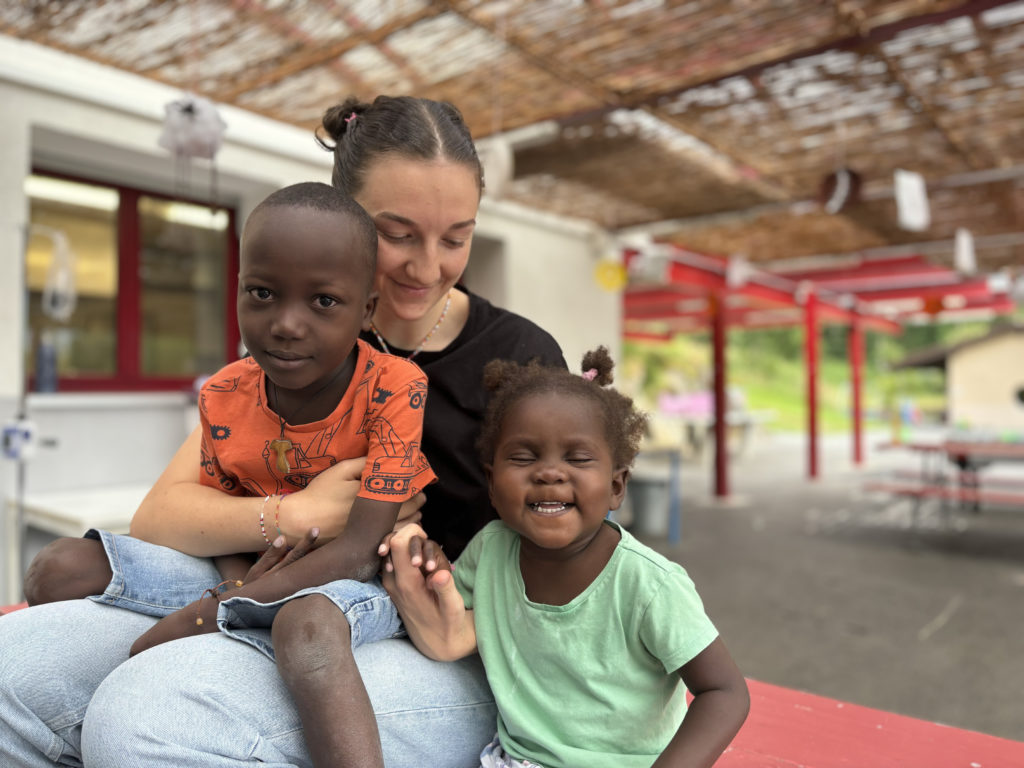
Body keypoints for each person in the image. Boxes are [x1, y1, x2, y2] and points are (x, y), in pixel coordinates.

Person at [0, 94, 564, 768]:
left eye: (456, 236)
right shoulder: (297, 349)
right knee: (12, 672)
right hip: (268, 589)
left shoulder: (523, 362)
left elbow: (573, 552)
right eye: (399, 232)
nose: (428, 266)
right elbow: (161, 518)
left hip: (442, 646)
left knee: (144, 715)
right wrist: (297, 514)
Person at [382, 348, 750, 768]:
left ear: (616, 485)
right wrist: (428, 567)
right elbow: (453, 621)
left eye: (577, 458)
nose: (549, 473)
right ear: (491, 482)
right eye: (523, 457)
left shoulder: (648, 584)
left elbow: (725, 692)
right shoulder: (492, 548)